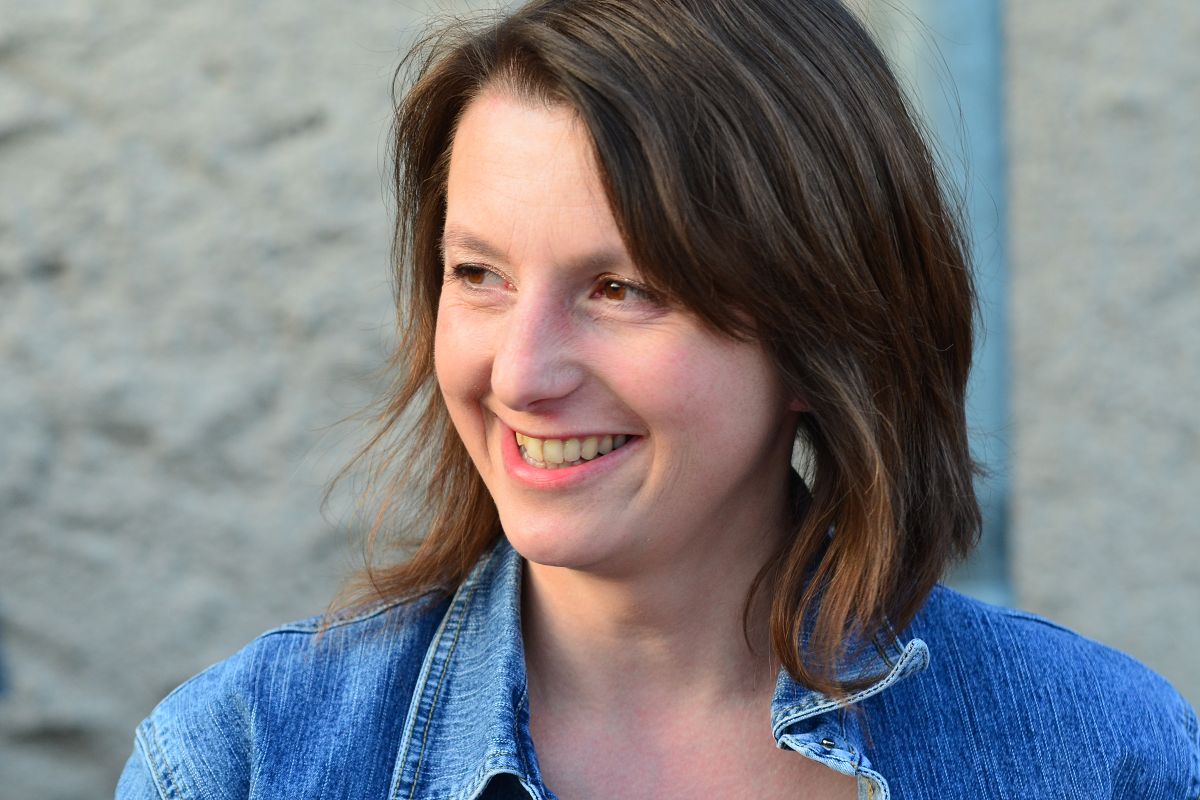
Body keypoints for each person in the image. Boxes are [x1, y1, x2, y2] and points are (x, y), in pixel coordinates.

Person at [117, 1, 1199, 797]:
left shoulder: (1100, 757)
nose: (521, 373)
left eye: (621, 289)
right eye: (478, 274)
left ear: (820, 324)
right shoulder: (242, 761)